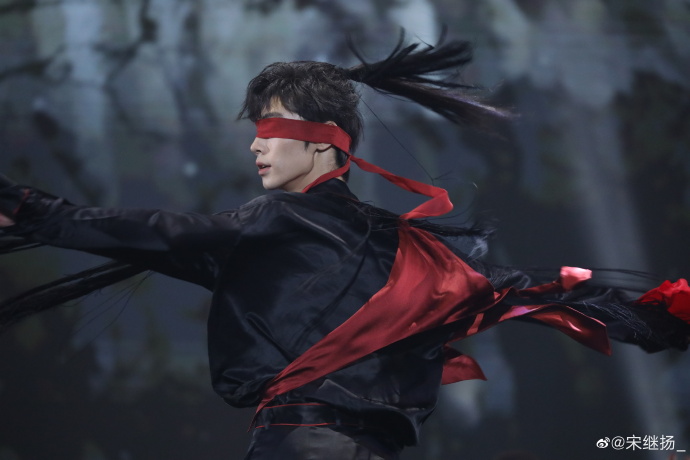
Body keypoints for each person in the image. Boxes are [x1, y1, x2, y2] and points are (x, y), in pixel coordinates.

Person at [1, 36, 689, 460]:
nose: (256, 146)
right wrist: (656, 316)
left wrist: (28, 207)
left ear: (323, 141)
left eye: (270, 128)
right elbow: (524, 288)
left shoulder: (275, 223)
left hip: (304, 443)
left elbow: (154, 230)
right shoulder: (410, 249)